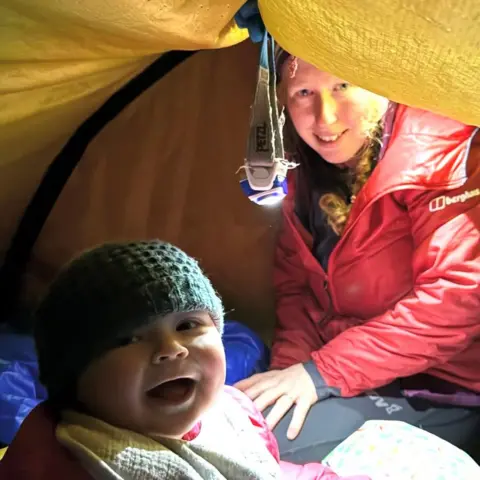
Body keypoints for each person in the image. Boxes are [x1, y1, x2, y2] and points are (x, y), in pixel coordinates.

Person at [235, 47, 480, 464]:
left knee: (261, 456)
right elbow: (298, 291)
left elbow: (457, 298)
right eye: (303, 92)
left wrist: (321, 373)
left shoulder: (438, 154)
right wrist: (287, 376)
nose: (325, 117)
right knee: (239, 430)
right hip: (355, 370)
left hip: (447, 384)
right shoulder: (299, 170)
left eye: (343, 85)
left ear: (381, 82)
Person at [0, 240, 367, 480]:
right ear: (74, 378)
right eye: (128, 338)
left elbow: (265, 470)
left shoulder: (233, 413)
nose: (172, 348)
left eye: (188, 325)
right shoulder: (73, 463)